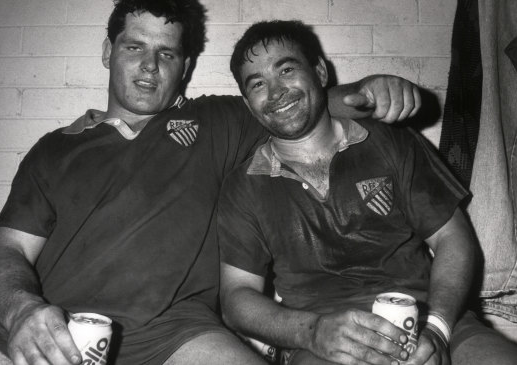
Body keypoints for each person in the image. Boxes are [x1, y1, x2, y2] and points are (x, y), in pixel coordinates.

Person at [0, 0, 421, 365]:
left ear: (185, 66)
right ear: (108, 52)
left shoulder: (214, 123)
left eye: (166, 54)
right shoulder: (53, 150)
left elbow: (292, 105)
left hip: (177, 334)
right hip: (55, 321)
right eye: (134, 48)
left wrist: (367, 90)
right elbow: (8, 251)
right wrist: (22, 311)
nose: (149, 67)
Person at [217, 19, 517, 365]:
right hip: (321, 342)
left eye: (286, 70)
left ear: (320, 72)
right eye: (257, 84)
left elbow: (452, 238)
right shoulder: (243, 185)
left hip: (430, 318)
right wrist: (312, 332)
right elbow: (237, 298)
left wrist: (437, 330)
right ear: (248, 102)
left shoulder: (391, 142)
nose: (275, 91)